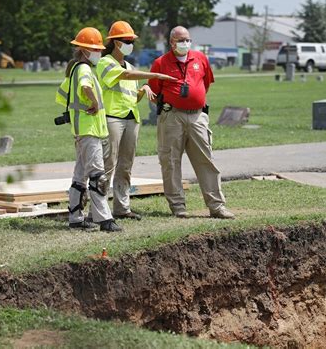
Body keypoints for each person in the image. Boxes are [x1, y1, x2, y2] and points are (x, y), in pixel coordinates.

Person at [148, 26, 235, 219]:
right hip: (172, 117)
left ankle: (216, 206)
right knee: (170, 161)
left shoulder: (200, 58)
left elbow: (205, 85)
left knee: (206, 160)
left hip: (197, 116)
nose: (185, 43)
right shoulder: (160, 63)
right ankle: (178, 206)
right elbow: (154, 93)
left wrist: (193, 100)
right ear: (172, 42)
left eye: (187, 39)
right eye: (181, 40)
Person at [96, 21, 176, 221]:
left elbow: (132, 96)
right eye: (127, 40)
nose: (130, 44)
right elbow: (125, 75)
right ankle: (99, 210)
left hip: (131, 118)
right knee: (108, 164)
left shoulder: (130, 64)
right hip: (113, 118)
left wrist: (143, 90)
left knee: (126, 165)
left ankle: (122, 208)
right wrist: (155, 75)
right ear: (116, 43)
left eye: (131, 40)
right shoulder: (105, 63)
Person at [55, 27, 121, 232]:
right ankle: (104, 220)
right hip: (89, 130)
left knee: (80, 176)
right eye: (96, 49)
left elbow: (62, 96)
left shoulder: (74, 69)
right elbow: (85, 87)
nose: (99, 53)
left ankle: (75, 217)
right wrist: (92, 102)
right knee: (97, 176)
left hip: (82, 130)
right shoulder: (83, 69)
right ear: (84, 50)